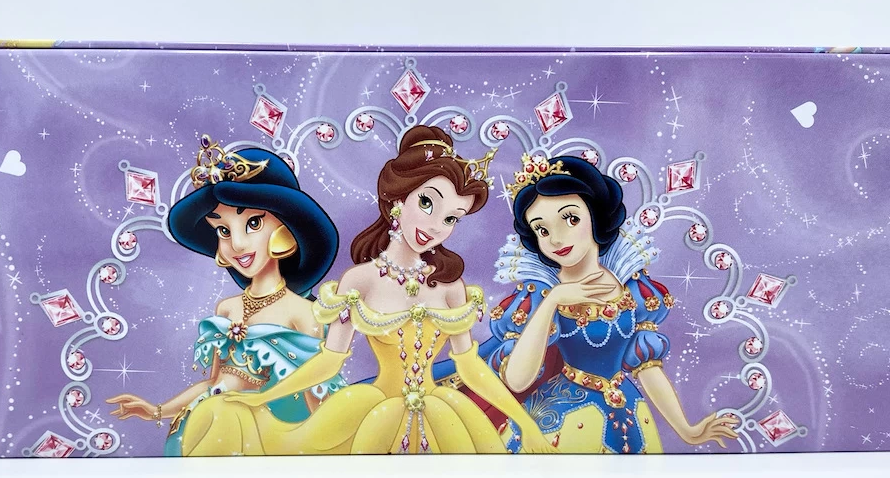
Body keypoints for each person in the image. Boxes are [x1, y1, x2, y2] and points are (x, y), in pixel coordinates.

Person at [173, 125, 551, 455]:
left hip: (443, 412)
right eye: (427, 203)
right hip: (371, 410)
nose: (437, 226)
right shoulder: (360, 282)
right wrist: (265, 397)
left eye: (452, 218)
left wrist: (524, 421)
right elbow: (329, 361)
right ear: (397, 198)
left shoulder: (450, 287)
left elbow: (470, 367)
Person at [480, 152, 739, 453]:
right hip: (563, 421)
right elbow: (517, 380)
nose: (556, 239)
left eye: (571, 219)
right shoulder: (541, 294)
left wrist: (687, 431)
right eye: (542, 229)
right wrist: (554, 301)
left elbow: (646, 366)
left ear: (596, 216)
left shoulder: (631, 287)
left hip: (629, 413)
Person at [106, 136, 344, 456]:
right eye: (223, 231)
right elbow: (215, 384)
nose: (237, 244)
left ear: (286, 232)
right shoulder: (227, 309)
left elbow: (317, 392)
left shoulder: (302, 313)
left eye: (253, 223)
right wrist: (156, 411)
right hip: (208, 423)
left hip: (263, 437)